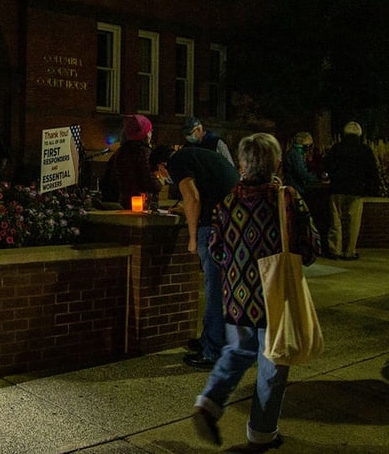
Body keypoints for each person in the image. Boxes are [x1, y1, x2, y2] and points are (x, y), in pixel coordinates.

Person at [192, 133, 320, 449]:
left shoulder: (227, 202)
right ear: (276, 162)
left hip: (237, 295)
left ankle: (209, 402)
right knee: (273, 363)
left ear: (242, 164)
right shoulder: (288, 198)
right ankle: (262, 433)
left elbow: (217, 250)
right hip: (274, 295)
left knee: (237, 351)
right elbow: (311, 246)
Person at [149, 144, 240, 368]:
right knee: (223, 289)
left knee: (213, 290)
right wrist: (185, 209)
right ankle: (212, 340)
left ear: (162, 165)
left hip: (214, 227)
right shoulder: (198, 154)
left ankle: (211, 352)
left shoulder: (178, 161)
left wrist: (191, 239)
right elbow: (205, 192)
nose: (163, 178)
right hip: (234, 222)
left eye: (160, 174)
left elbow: (193, 198)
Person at [323, 121, 380, 261]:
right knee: (353, 222)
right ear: (359, 134)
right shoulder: (365, 150)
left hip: (337, 189)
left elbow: (327, 165)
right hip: (356, 190)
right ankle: (349, 251)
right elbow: (372, 171)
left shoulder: (336, 148)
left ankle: (335, 249)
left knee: (336, 221)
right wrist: (370, 188)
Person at [112, 114, 162, 210]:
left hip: (126, 201)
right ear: (145, 134)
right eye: (150, 131)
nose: (151, 134)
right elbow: (148, 178)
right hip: (145, 203)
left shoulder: (121, 152)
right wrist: (159, 184)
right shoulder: (143, 152)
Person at [282, 131, 319, 196]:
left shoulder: (293, 152)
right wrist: (316, 179)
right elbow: (301, 172)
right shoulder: (296, 154)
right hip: (296, 188)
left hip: (294, 186)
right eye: (309, 145)